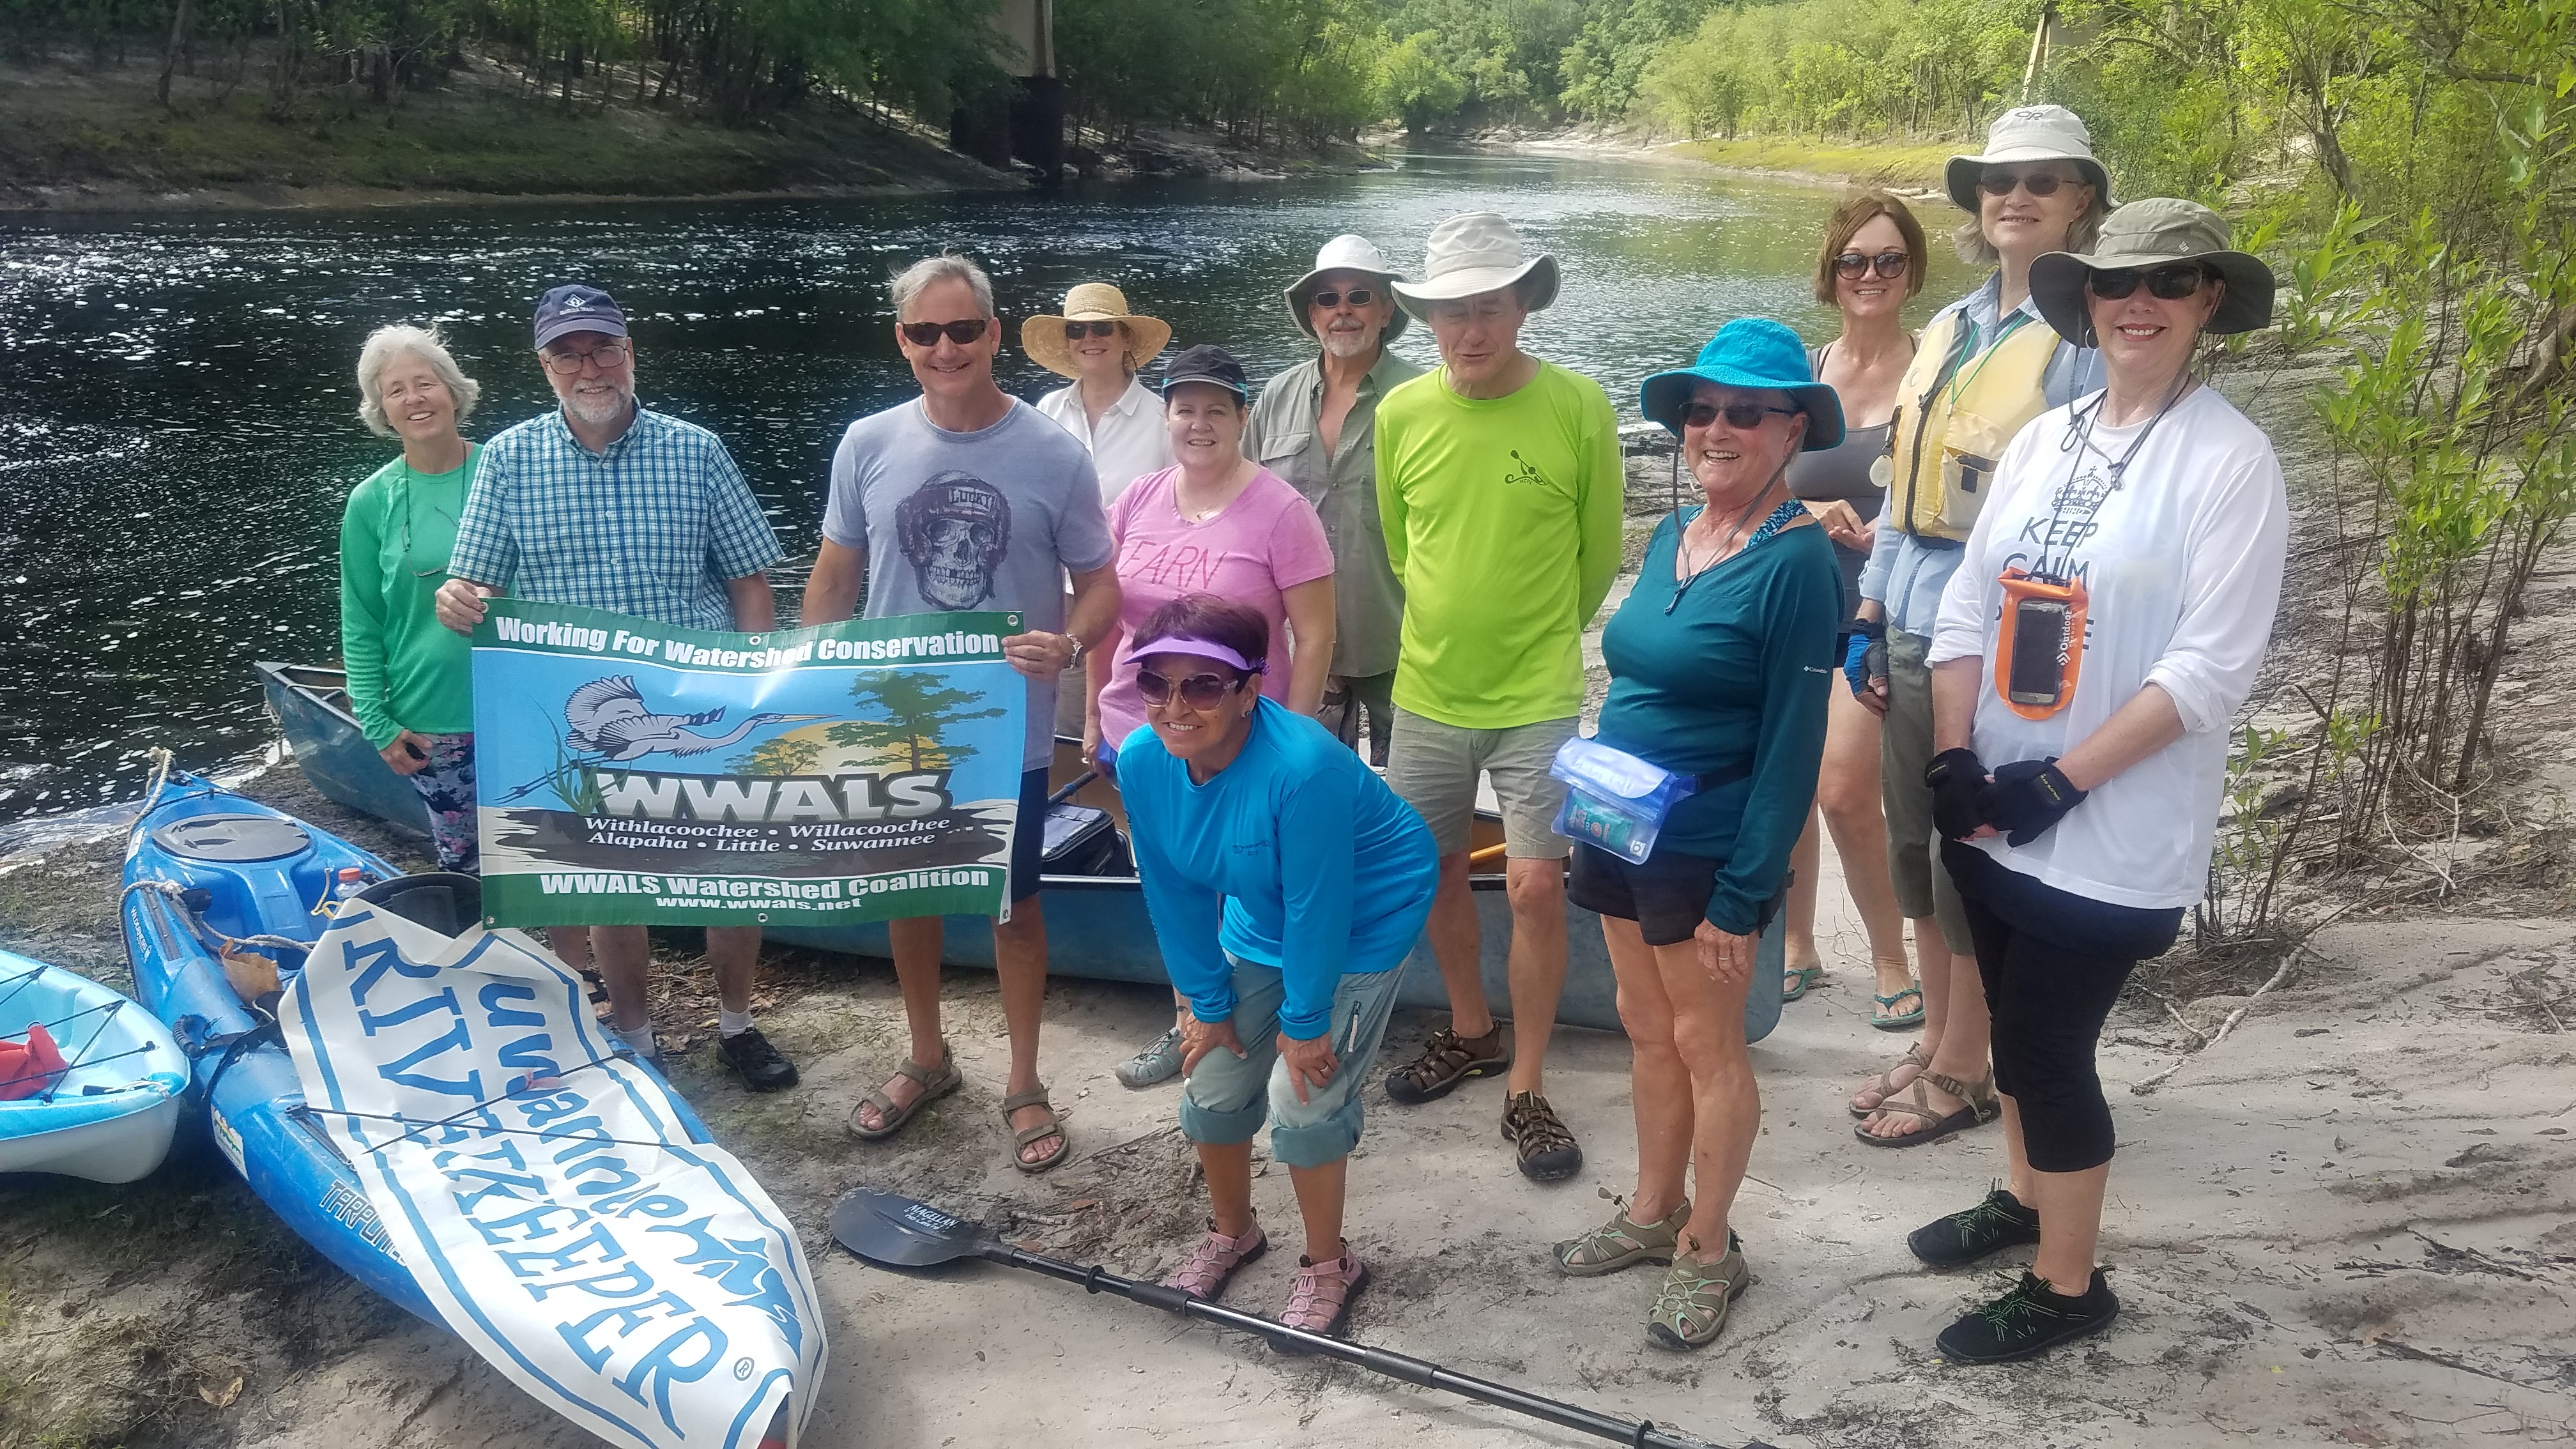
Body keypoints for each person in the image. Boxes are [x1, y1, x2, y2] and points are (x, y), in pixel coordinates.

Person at [1910, 199, 2284, 1361]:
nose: (2138, 302)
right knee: (2012, 1024)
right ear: (2084, 296)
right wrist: (1954, 752)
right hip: (1995, 807)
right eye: (2117, 281)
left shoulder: (2227, 459)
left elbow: (2210, 668)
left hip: (2110, 827)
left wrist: (2059, 784)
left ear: (2206, 300)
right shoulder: (2046, 434)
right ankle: (2022, 1198)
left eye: (2169, 283)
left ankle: (2069, 1286)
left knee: (2041, 1046)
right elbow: (1969, 600)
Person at [1549, 319, 1843, 1350]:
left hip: (1706, 842)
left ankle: (1710, 1246)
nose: (1714, 428)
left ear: (1791, 427)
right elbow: (1642, 661)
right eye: (1700, 411)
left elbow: (1792, 745)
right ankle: (1650, 1209)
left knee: (1706, 1043)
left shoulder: (1800, 562)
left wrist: (1743, 888)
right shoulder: (1677, 532)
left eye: (1744, 411)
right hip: (1616, 817)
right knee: (1642, 1025)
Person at [433, 284, 798, 1092]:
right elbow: (473, 587)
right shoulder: (507, 458)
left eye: (602, 349)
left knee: (731, 869)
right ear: (545, 367)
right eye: (569, 353)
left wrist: (753, 675)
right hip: (582, 719)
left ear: (630, 355)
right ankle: (636, 1037)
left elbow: (750, 581)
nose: (588, 366)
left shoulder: (695, 450)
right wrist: (455, 597)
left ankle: (736, 1026)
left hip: (696, 692)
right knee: (609, 881)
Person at [804, 252, 1119, 1172]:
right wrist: (798, 689)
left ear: (992, 333)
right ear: (903, 342)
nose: (946, 348)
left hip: (1005, 728)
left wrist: (1069, 645)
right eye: (924, 332)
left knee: (1013, 908)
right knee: (911, 897)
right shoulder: (866, 443)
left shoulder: (1055, 453)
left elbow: (1101, 586)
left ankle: (1024, 1081)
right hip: (891, 720)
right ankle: (928, 1058)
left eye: (964, 330)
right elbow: (833, 578)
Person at [1848, 105, 2113, 1146]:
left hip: (1996, 638)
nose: (2015, 197)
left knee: (1971, 843)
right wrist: (1863, 612)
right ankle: (1941, 1034)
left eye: (2043, 181)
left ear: (2082, 198)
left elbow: (2086, 502)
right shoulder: (1952, 325)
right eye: (1998, 182)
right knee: (1913, 836)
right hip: (1907, 612)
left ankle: (1967, 1063)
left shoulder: (2083, 333)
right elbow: (1897, 485)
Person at [1374, 211, 1624, 1182]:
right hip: (1428, 689)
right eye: (1449, 313)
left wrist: (1529, 638)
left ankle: (1527, 1082)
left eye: (1487, 309)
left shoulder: (1578, 405)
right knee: (1430, 870)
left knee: (1534, 887)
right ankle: (1471, 1030)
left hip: (1538, 693)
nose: (1469, 330)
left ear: (1522, 308)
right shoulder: (1402, 414)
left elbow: (1597, 555)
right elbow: (1403, 548)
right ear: (1427, 319)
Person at [1117, 595, 1437, 1337]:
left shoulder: (1305, 769)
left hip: (1363, 916)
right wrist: (1204, 999)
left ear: (1250, 688)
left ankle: (1331, 1264)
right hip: (1261, 909)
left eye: (1202, 685)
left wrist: (1305, 1021)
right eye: (1156, 684)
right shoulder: (1142, 759)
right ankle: (1235, 1234)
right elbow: (1172, 889)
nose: (1174, 706)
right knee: (1214, 1079)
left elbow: (1320, 907)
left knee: (1304, 1097)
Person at [1088, 345, 1337, 1091]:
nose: (1199, 424)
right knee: (1169, 883)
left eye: (1215, 410)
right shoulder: (1136, 500)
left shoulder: (1281, 511)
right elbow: (1107, 615)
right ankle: (1194, 1019)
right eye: (1184, 409)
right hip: (1141, 735)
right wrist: (1097, 707)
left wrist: (1291, 740)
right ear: (1166, 416)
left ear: (1242, 417)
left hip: (1239, 739)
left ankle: (1286, 1021)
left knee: (1254, 884)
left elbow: (1317, 634)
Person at [1780, 190, 1929, 1025]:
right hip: (1793, 606)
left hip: (1883, 615)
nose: (1869, 275)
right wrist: (1806, 512)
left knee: (1842, 790)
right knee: (1791, 786)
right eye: (1854, 261)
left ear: (1911, 272)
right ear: (1831, 273)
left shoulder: (1935, 369)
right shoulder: (1802, 371)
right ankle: (1798, 945)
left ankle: (1887, 953)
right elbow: (1747, 483)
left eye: (1888, 260)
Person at [1242, 235, 1422, 767]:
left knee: (1409, 798)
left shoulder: (1424, 396)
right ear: (1312, 314)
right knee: (1307, 785)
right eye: (1327, 298)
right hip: (1300, 649)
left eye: (1360, 296)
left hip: (1403, 644)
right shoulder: (1276, 395)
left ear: (1387, 309)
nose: (1342, 310)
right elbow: (1247, 507)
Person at [342, 323, 482, 874]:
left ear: (452, 390)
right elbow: (360, 617)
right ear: (381, 408)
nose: (413, 399)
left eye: (424, 383)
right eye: (395, 390)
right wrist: (375, 720)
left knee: (542, 859)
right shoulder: (370, 501)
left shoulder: (506, 473)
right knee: (464, 867)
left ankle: (567, 964)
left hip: (518, 704)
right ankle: (479, 961)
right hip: (430, 719)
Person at [1025, 282, 1175, 503]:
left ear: (1127, 339)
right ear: (1068, 342)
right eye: (1076, 329)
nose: (1089, 337)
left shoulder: (1163, 420)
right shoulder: (1048, 409)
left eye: (1101, 327)